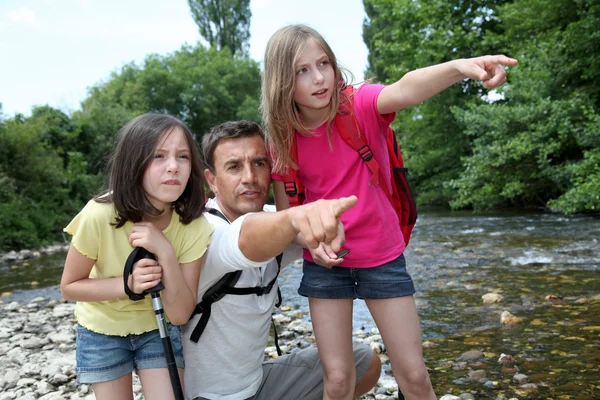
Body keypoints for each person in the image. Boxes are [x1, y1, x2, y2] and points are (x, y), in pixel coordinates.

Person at [261, 24, 519, 400]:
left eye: (324, 64)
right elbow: (290, 216)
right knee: (335, 380)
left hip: (382, 258)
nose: (319, 78)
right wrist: (311, 244)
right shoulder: (281, 139)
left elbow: (406, 88)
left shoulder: (358, 105)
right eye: (302, 71)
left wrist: (461, 67)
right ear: (282, 82)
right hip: (325, 267)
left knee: (413, 376)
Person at [178, 120, 381, 400]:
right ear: (212, 180)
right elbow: (246, 238)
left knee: (363, 363)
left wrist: (330, 231)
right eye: (234, 166)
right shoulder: (202, 233)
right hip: (207, 397)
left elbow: (287, 224)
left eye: (259, 163)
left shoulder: (276, 219)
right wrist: (298, 218)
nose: (249, 176)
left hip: (259, 385)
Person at [60, 113, 213, 400]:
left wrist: (165, 252)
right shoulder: (99, 214)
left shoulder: (194, 225)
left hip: (157, 329)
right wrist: (128, 285)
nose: (173, 167)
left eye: (182, 157)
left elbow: (180, 314)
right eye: (158, 156)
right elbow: (70, 286)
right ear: (134, 163)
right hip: (101, 330)